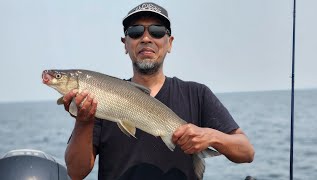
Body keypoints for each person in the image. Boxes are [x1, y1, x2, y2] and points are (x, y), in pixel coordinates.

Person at [63, 2, 255, 180]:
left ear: (169, 42)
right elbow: (76, 172)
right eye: (136, 32)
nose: (146, 38)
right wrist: (83, 121)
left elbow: (246, 152)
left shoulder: (197, 94)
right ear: (125, 44)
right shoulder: (97, 97)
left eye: (156, 31)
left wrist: (211, 136)